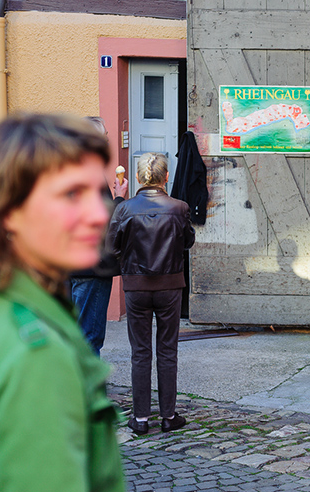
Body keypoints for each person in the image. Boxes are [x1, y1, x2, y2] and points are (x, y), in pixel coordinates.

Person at [0, 113, 126, 492]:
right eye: (72, 194)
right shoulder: (37, 353)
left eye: (94, 193)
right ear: (12, 211)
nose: (98, 214)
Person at [108, 152, 195, 435]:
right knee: (167, 350)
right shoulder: (179, 207)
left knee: (140, 352)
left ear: (136, 178)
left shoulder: (125, 208)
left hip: (136, 286)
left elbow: (113, 245)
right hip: (170, 285)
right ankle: (169, 416)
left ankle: (141, 419)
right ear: (166, 176)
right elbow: (188, 241)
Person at [69, 116, 128, 356]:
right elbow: (104, 222)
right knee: (89, 338)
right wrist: (120, 197)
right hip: (91, 268)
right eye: (103, 137)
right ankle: (87, 393)